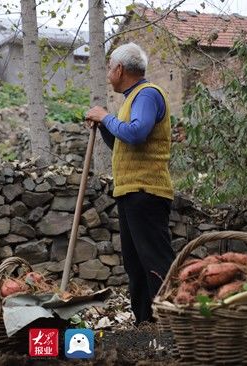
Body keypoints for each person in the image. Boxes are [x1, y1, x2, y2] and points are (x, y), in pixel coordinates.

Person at [85, 42, 175, 325]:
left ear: (120, 69)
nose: (108, 73)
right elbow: (123, 143)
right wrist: (104, 127)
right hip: (130, 191)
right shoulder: (132, 98)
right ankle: (144, 323)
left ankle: (172, 322)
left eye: (110, 68)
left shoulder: (147, 95)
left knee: (155, 262)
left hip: (146, 191)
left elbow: (136, 134)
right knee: (135, 264)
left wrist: (105, 116)